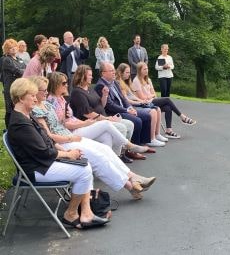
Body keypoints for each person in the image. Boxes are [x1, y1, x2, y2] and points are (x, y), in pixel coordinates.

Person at [29, 76, 156, 200]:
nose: (46, 92)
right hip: (62, 142)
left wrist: (66, 115)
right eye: (43, 90)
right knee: (97, 156)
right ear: (34, 91)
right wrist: (71, 137)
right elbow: (48, 136)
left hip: (69, 135)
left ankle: (133, 177)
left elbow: (61, 123)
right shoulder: (36, 110)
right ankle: (130, 186)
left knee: (104, 149)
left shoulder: (47, 105)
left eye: (46, 89)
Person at [8, 77, 109, 229]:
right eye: (33, 95)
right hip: (36, 169)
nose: (36, 99)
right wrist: (68, 155)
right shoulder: (20, 123)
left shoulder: (27, 116)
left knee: (84, 165)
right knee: (84, 171)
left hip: (42, 163)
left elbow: (46, 139)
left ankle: (86, 213)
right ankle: (71, 214)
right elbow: (44, 152)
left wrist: (64, 149)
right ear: (21, 98)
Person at [46, 71, 145, 164]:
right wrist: (87, 123)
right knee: (107, 124)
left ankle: (110, 163)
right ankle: (127, 145)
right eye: (63, 83)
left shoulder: (61, 98)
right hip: (71, 132)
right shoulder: (53, 102)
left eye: (66, 82)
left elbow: (100, 106)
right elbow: (64, 124)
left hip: (80, 125)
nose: (67, 85)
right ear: (55, 84)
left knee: (107, 136)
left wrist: (105, 96)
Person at [70, 64, 152, 161]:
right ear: (82, 76)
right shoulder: (77, 93)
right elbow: (88, 114)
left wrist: (104, 95)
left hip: (103, 118)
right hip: (92, 122)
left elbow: (102, 105)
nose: (92, 77)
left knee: (129, 124)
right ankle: (118, 156)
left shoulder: (89, 88)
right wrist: (108, 118)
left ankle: (123, 152)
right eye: (89, 75)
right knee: (122, 127)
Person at [96, 62, 158, 147]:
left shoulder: (114, 82)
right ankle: (135, 147)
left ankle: (145, 142)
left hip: (124, 109)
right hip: (115, 112)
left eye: (114, 70)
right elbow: (109, 105)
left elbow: (123, 98)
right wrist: (127, 110)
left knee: (147, 116)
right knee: (137, 121)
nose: (114, 72)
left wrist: (130, 107)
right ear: (103, 73)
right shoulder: (100, 85)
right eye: (111, 71)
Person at [131, 62, 196, 137]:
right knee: (167, 100)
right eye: (144, 69)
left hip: (151, 101)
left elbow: (154, 94)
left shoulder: (148, 80)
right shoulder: (136, 81)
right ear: (139, 70)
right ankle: (182, 117)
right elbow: (142, 97)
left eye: (147, 68)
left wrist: (150, 96)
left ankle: (169, 130)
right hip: (144, 103)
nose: (147, 70)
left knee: (168, 108)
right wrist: (150, 96)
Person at [115, 63, 168, 142]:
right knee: (154, 111)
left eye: (129, 72)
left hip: (137, 103)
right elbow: (126, 100)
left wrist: (142, 101)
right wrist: (140, 102)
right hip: (131, 106)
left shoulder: (127, 82)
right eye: (127, 72)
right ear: (120, 72)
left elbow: (134, 96)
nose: (129, 75)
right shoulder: (119, 83)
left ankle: (157, 134)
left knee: (158, 109)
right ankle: (151, 138)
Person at [2, 39, 27, 127]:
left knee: (18, 109)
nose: (13, 49)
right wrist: (25, 71)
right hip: (10, 88)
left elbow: (25, 69)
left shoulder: (19, 59)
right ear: (6, 50)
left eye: (14, 47)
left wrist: (24, 71)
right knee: (10, 110)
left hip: (19, 87)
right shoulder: (6, 60)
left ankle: (17, 126)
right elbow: (17, 71)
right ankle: (8, 129)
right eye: (10, 48)